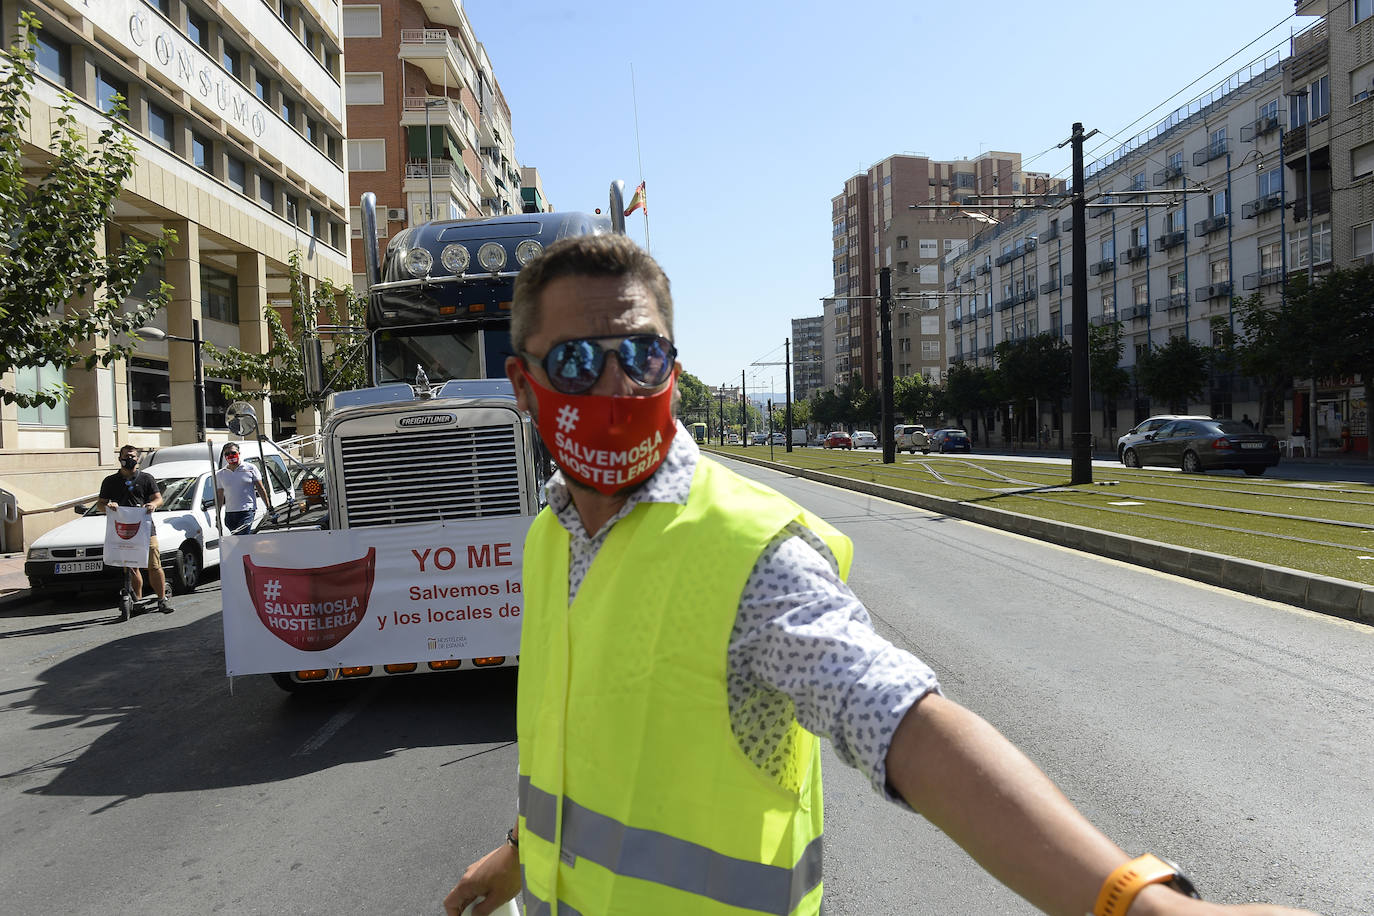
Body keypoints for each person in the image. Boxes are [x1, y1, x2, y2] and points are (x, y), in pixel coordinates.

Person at [444, 235, 1316, 916]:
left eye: (640, 355)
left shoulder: (748, 553)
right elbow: (587, 744)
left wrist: (1134, 902)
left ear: (672, 365)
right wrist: (523, 852)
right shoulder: (549, 537)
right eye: (574, 363)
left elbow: (899, 719)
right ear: (524, 385)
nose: (613, 381)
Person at [95, 444, 171, 613]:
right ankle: (138, 600)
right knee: (131, 566)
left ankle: (161, 599)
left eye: (132, 456)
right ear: (119, 458)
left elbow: (159, 499)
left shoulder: (146, 478)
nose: (129, 459)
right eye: (126, 456)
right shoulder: (110, 481)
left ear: (137, 459)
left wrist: (152, 504)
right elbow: (100, 504)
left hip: (145, 528)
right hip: (122, 530)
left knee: (153, 564)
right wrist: (109, 505)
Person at [215, 443, 269, 534]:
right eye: (227, 454)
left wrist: (269, 507)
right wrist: (218, 516)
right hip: (230, 514)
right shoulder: (221, 474)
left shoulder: (250, 468)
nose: (230, 456)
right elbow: (220, 496)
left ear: (239, 453)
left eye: (233, 452)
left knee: (242, 538)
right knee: (237, 541)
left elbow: (260, 488)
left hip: (246, 511)